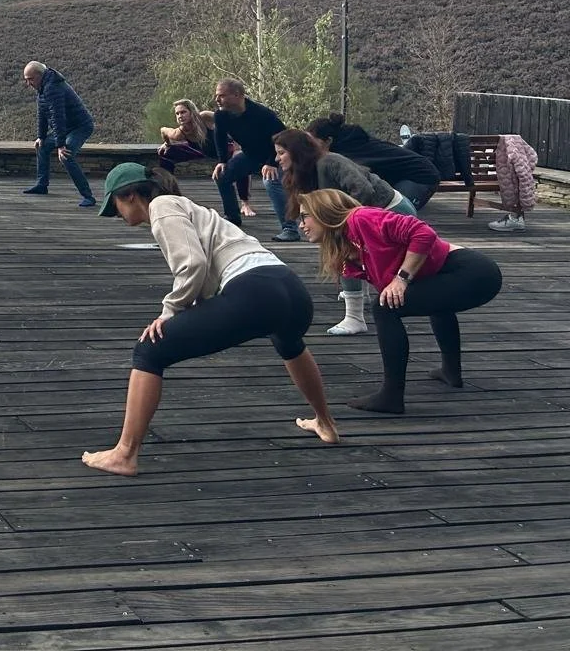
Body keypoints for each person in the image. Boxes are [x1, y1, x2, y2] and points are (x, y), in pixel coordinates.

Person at [81, 164, 338, 476]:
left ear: (131, 195)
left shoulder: (161, 206)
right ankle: (325, 422)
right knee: (288, 341)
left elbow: (192, 264)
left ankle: (124, 454)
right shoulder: (189, 207)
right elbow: (204, 271)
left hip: (254, 291)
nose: (118, 216)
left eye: (115, 206)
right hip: (291, 290)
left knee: (149, 349)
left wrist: (169, 311)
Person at [299, 189, 503, 415]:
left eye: (305, 216)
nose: (301, 225)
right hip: (460, 273)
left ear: (324, 212)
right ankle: (450, 371)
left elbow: (423, 233)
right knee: (433, 302)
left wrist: (401, 278)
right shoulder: (348, 244)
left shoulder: (360, 218)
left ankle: (391, 396)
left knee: (384, 308)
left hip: (473, 271)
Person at [274, 129, 416, 337]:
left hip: (391, 209)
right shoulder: (303, 173)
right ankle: (360, 294)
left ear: (297, 152)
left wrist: (345, 223)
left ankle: (355, 317)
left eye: (281, 153)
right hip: (364, 212)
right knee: (341, 242)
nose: (276, 159)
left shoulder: (330, 162)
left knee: (342, 247)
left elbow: (363, 190)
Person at [211, 78, 295, 240]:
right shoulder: (221, 115)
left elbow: (284, 139)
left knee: (271, 181)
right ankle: (232, 217)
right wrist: (222, 161)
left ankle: (290, 229)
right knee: (222, 175)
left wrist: (272, 162)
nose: (217, 99)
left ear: (237, 95)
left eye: (221, 95)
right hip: (251, 155)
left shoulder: (263, 114)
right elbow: (219, 138)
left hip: (276, 157)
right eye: (217, 95)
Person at [307, 114, 440, 211]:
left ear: (328, 141)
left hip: (422, 176)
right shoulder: (348, 143)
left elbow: (362, 186)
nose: (308, 147)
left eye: (312, 143)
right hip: (398, 176)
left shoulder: (350, 152)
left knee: (396, 214)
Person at [157, 98, 255, 216]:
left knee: (239, 161)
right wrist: (167, 144)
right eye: (177, 113)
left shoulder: (204, 117)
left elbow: (230, 122)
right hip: (204, 152)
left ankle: (245, 203)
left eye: (183, 112)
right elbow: (163, 130)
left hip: (227, 148)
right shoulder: (179, 133)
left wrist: (238, 147)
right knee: (166, 153)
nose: (180, 116)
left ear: (191, 111)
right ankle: (168, 193)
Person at [22, 60, 96, 207]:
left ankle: (88, 196)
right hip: (66, 128)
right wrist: (41, 136)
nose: (28, 83)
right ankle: (42, 185)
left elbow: (58, 117)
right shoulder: (43, 87)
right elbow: (42, 113)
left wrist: (61, 145)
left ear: (39, 75)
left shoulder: (53, 88)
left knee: (66, 155)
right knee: (42, 146)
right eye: (26, 80)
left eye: (30, 79)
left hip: (80, 127)